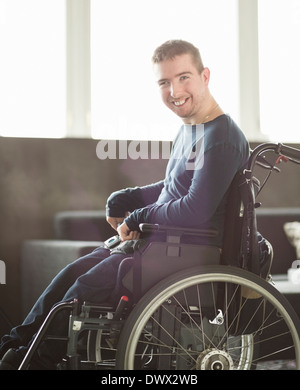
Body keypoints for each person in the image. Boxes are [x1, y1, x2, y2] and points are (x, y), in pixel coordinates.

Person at [0, 39, 250, 370]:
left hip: (186, 253)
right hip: (159, 243)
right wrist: (126, 198)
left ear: (205, 75)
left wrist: (137, 216)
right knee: (71, 272)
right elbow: (172, 187)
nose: (174, 90)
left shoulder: (222, 136)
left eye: (184, 77)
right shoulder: (190, 129)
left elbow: (196, 209)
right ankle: (16, 346)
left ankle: (35, 361)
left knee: (84, 288)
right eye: (164, 82)